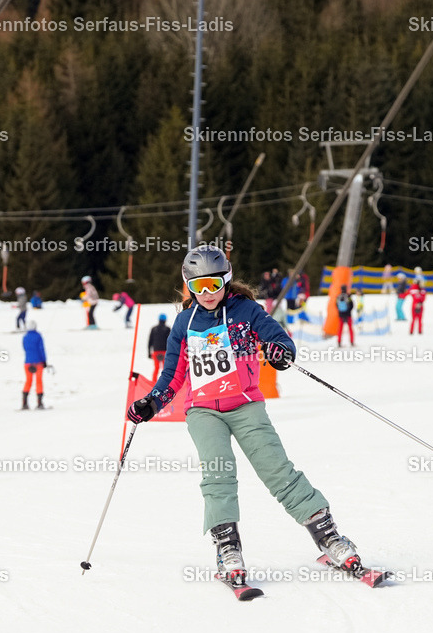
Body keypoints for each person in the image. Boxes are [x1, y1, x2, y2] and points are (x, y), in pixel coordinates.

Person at [126, 245, 365, 588]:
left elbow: (276, 337)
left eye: (214, 284)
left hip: (245, 404)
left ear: (226, 280)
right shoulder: (184, 323)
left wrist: (281, 352)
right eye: (198, 287)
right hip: (203, 410)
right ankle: (228, 548)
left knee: (277, 470)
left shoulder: (246, 310)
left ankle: (329, 537)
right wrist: (151, 403)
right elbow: (173, 375)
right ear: (188, 286)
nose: (207, 294)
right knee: (218, 473)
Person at [21, 320, 47, 410]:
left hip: (27, 362)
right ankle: (39, 403)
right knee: (39, 381)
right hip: (38, 362)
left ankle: (24, 403)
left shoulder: (25, 337)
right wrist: (44, 361)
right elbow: (41, 349)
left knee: (28, 381)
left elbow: (24, 348)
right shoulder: (38, 336)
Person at [147, 313, 171, 382]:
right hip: (165, 352)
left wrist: (149, 352)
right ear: (165, 320)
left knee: (156, 368)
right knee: (165, 368)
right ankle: (165, 382)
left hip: (156, 351)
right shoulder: (167, 329)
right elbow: (170, 341)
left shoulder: (154, 329)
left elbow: (150, 341)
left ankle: (154, 382)